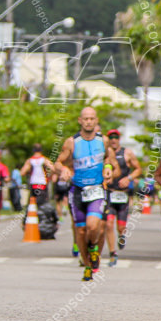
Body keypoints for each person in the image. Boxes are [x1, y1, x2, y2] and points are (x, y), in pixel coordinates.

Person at [55, 107, 118, 281]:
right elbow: (58, 162)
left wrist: (107, 168)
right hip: (77, 191)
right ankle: (88, 265)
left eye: (92, 119)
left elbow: (109, 160)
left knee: (93, 226)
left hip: (97, 190)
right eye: (86, 119)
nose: (89, 121)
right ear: (80, 120)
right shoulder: (72, 142)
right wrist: (64, 169)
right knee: (81, 231)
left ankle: (93, 249)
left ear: (96, 120)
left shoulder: (103, 141)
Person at [103, 128, 141, 266]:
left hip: (122, 194)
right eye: (111, 137)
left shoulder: (127, 153)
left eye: (116, 137)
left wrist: (129, 178)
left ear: (119, 139)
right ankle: (112, 253)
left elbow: (138, 169)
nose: (113, 140)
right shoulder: (105, 154)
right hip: (109, 193)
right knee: (108, 224)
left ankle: (121, 235)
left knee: (120, 227)